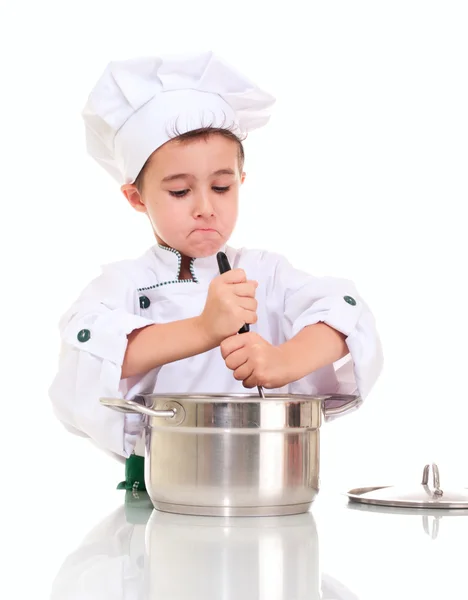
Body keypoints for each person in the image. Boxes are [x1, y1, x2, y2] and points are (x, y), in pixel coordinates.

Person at [49, 50, 383, 490]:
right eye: (181, 191)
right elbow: (87, 352)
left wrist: (285, 360)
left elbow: (347, 311)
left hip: (269, 474)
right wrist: (203, 329)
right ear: (136, 197)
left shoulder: (266, 273)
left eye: (221, 187)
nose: (206, 208)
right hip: (161, 480)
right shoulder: (124, 283)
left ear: (240, 182)